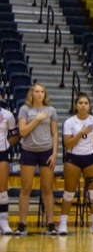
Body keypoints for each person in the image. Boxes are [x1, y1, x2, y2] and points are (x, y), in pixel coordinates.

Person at [57, 93, 93, 235]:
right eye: (81, 103)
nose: (83, 105)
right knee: (69, 192)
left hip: (90, 158)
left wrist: (89, 150)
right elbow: (67, 144)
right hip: (73, 158)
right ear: (76, 106)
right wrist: (81, 133)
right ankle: (63, 224)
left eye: (86, 103)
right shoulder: (70, 122)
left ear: (89, 106)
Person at [16, 83, 59, 235]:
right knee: (26, 188)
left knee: (47, 188)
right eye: (37, 91)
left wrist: (54, 154)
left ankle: (50, 224)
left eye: (42, 92)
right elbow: (22, 132)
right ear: (32, 94)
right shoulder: (25, 110)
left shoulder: (51, 110)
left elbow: (55, 134)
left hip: (46, 151)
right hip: (28, 151)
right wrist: (37, 119)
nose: (39, 94)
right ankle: (22, 224)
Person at [0, 89, 18, 235]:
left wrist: (5, 145)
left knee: (2, 187)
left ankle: (4, 221)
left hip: (2, 154)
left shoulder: (8, 115)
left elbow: (14, 135)